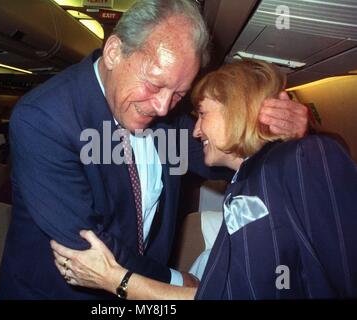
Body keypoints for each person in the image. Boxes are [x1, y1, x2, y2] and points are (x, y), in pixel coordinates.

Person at [0, 0, 308, 299]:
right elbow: (87, 245)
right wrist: (174, 280)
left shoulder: (168, 115)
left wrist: (279, 133)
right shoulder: (45, 119)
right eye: (155, 84)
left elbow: (233, 155)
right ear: (115, 52)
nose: (162, 107)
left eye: (178, 94)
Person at [50, 60, 357, 299]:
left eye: (202, 114)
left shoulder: (304, 156)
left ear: (237, 108)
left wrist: (117, 280)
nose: (196, 131)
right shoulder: (245, 180)